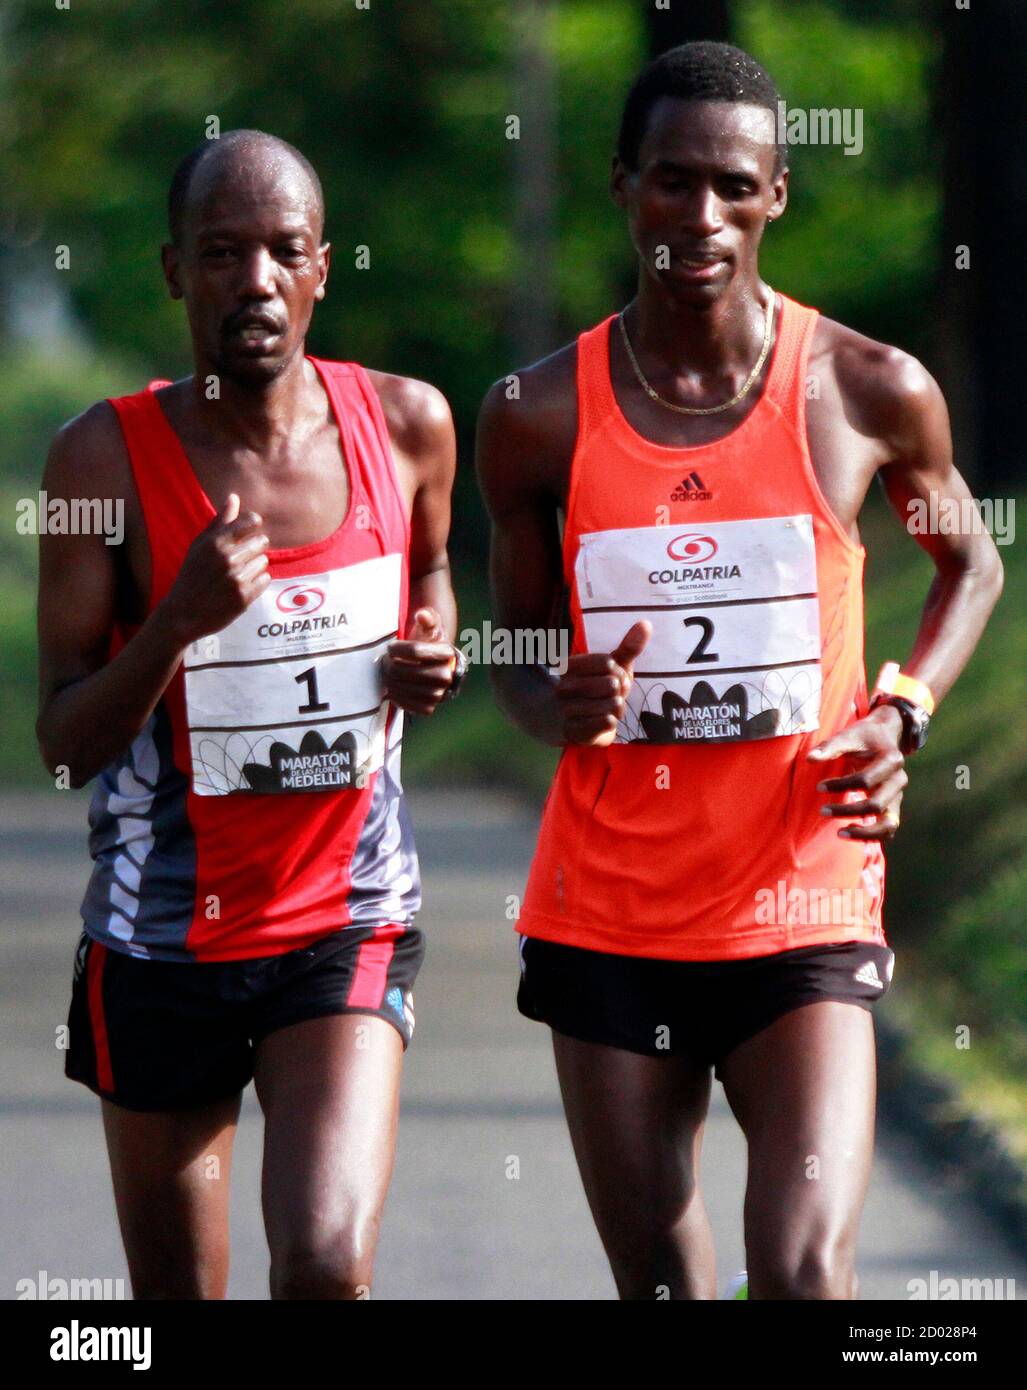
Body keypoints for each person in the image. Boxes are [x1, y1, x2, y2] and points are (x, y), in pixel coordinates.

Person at [476, 42, 1003, 1300]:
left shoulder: (868, 390)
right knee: (659, 1276)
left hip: (801, 902)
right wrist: (555, 696)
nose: (698, 217)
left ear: (775, 195)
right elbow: (515, 644)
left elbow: (971, 566)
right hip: (610, 911)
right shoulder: (536, 414)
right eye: (670, 181)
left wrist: (904, 709)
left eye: (729, 184)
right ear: (622, 187)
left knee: (805, 1268)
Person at [37, 129, 462, 1299]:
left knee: (324, 1266)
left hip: (345, 916)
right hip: (160, 934)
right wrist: (175, 623)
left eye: (284, 251)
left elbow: (427, 580)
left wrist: (433, 651)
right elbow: (64, 744)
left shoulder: (410, 423)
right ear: (177, 271)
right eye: (224, 253)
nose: (257, 281)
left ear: (323, 266)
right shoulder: (99, 463)